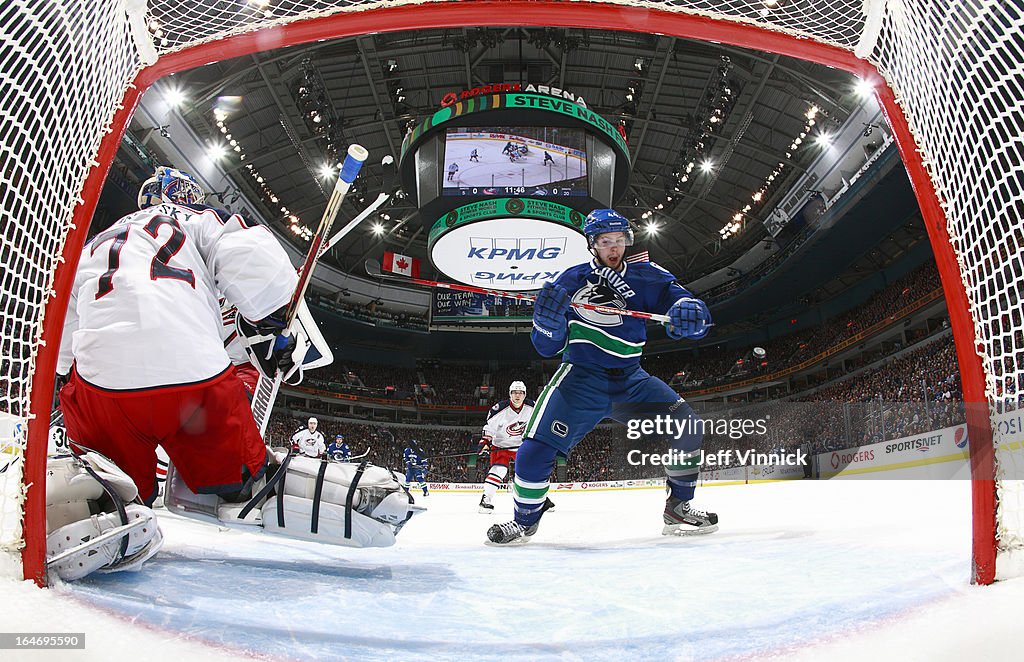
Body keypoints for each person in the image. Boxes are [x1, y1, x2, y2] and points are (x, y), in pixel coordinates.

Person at [53, 167, 422, 580]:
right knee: (243, 483)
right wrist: (271, 322)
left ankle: (105, 513)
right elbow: (249, 253)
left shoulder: (93, 245)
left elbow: (62, 339)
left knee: (112, 483)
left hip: (103, 386)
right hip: (193, 380)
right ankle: (344, 498)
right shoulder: (195, 219)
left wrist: (72, 375)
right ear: (187, 196)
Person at [486, 208, 716, 544]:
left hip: (631, 381)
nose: (614, 248)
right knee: (534, 450)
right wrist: (546, 325)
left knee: (688, 426)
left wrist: (690, 310)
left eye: (619, 240)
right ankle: (524, 520)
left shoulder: (647, 276)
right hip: (580, 379)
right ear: (593, 244)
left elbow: (684, 304)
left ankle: (678, 507)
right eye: (606, 241)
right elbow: (545, 347)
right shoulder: (569, 280)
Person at [477, 381, 536, 514]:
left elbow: (539, 422)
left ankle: (539, 499)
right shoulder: (500, 409)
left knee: (531, 470)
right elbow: (489, 427)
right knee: (499, 470)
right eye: (515, 392)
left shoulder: (532, 407)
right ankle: (486, 500)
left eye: (521, 393)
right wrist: (485, 441)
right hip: (501, 445)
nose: (517, 395)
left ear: (524, 394)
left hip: (521, 446)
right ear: (510, 394)